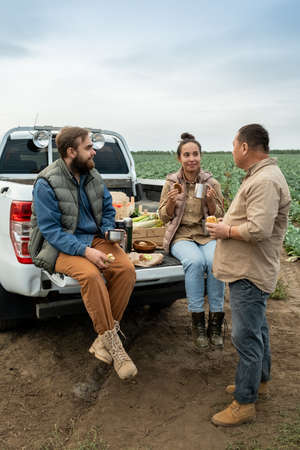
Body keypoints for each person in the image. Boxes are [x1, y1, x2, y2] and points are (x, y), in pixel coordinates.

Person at [29, 126, 137, 380]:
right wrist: (85, 252)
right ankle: (115, 347)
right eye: (88, 147)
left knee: (126, 270)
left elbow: (108, 208)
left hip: (94, 239)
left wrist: (109, 231)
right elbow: (51, 231)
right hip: (60, 245)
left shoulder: (92, 174)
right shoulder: (46, 183)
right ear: (70, 151)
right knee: (91, 276)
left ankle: (103, 341)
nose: (94, 152)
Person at [206, 123, 291, 426]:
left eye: (233, 145)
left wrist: (224, 230)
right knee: (258, 329)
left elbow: (258, 229)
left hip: (250, 272)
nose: (231, 150)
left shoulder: (265, 181)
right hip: (249, 269)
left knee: (246, 337)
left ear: (244, 147)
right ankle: (259, 381)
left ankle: (244, 402)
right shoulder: (261, 176)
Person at [158, 132, 225, 350]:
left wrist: (210, 201)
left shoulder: (210, 182)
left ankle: (216, 323)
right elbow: (163, 217)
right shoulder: (171, 183)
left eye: (195, 154)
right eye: (186, 155)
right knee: (195, 263)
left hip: (206, 234)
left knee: (216, 263)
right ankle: (197, 322)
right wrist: (170, 204)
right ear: (180, 159)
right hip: (182, 236)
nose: (191, 159)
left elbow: (221, 213)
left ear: (200, 156)